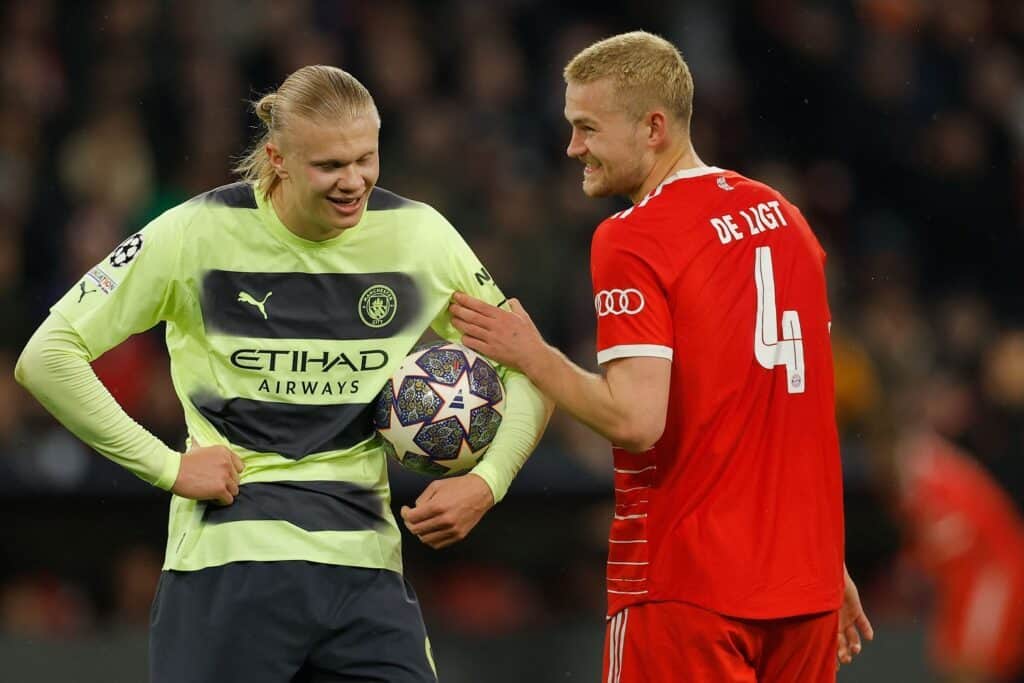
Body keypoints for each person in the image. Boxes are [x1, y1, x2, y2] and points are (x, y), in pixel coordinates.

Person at [15, 65, 550, 683]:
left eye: (366, 159)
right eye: (330, 166)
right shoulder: (197, 232)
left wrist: (487, 482)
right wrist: (167, 466)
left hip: (364, 572)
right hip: (226, 563)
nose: (354, 182)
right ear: (278, 159)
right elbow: (47, 356)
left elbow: (531, 369)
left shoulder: (418, 237)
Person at [450, 31, 871, 681]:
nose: (573, 148)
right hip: (805, 586)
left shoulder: (633, 236)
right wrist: (823, 559)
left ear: (653, 127)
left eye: (588, 128)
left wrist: (532, 355)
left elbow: (637, 419)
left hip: (686, 588)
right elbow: (797, 400)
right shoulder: (785, 217)